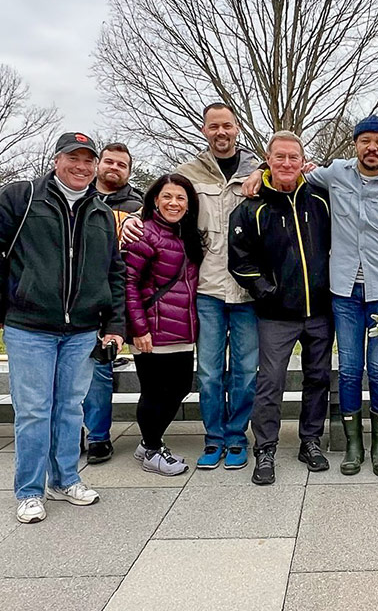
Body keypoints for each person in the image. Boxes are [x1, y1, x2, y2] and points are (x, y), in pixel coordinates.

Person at [243, 114, 378, 477]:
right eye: (365, 140)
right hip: (342, 294)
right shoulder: (336, 173)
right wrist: (257, 174)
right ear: (355, 144)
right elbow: (288, 169)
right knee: (351, 370)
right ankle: (353, 445)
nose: (372, 147)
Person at [0, 132, 125, 524]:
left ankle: (65, 479)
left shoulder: (101, 212)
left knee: (70, 408)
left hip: (82, 329)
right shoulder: (21, 198)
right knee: (35, 410)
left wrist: (114, 323)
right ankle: (29, 490)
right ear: (57, 160)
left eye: (89, 160)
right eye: (74, 158)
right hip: (30, 326)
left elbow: (114, 272)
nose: (82, 167)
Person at [228, 131, 333, 485]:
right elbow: (240, 260)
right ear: (268, 161)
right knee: (270, 382)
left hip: (319, 311)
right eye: (280, 157)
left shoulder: (320, 199)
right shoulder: (251, 207)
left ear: (304, 162)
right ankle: (266, 447)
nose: (287, 164)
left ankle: (310, 440)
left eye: (294, 158)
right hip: (275, 315)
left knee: (318, 378)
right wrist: (265, 291)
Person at [169, 103, 261, 470]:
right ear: (204, 130)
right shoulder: (187, 175)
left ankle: (238, 437)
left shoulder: (258, 171)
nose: (220, 133)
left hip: (247, 293)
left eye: (227, 126)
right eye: (213, 127)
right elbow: (165, 215)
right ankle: (214, 437)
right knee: (208, 372)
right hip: (206, 290)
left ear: (237, 128)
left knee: (244, 370)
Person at [123, 173, 203, 477]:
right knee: (155, 392)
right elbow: (128, 283)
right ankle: (153, 448)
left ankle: (148, 442)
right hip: (151, 330)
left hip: (181, 329)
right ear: (155, 200)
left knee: (180, 386)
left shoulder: (187, 234)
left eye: (180, 198)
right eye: (167, 196)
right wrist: (138, 328)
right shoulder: (144, 233)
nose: (174, 203)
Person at [82, 142, 144, 465]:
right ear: (98, 164)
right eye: (109, 161)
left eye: (122, 164)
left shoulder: (138, 207)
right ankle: (71, 430)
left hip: (115, 296)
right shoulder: (78, 199)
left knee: (99, 365)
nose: (114, 168)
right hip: (76, 295)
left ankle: (98, 436)